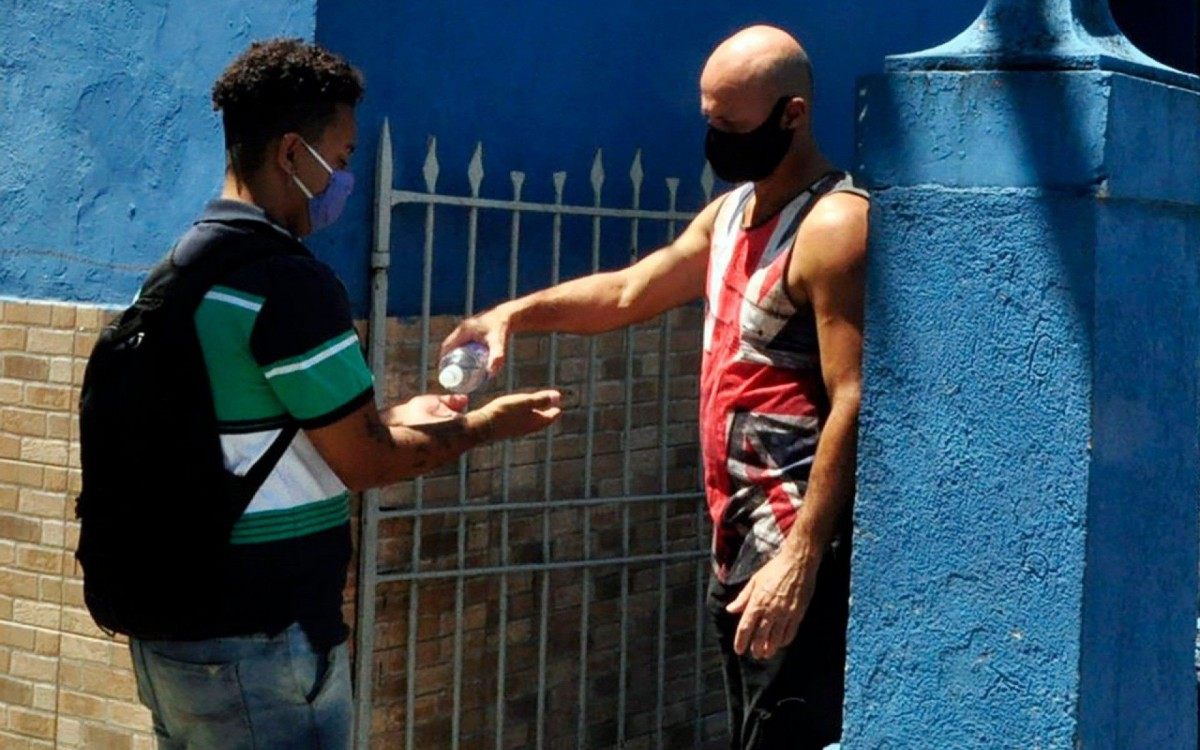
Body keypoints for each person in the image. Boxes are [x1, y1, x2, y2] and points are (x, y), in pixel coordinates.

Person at [441, 25, 867, 750]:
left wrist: (800, 560)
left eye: (732, 126)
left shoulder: (833, 226)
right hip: (735, 544)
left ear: (792, 115)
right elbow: (627, 291)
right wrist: (513, 314)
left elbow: (852, 397)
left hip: (792, 546)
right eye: (709, 120)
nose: (715, 140)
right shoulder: (730, 216)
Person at [127, 39, 561, 749]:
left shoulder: (179, 271)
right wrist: (485, 425)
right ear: (292, 153)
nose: (345, 176)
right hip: (263, 641)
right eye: (344, 154)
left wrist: (390, 418)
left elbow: (256, 436)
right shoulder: (287, 283)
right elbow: (366, 462)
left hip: (175, 633)